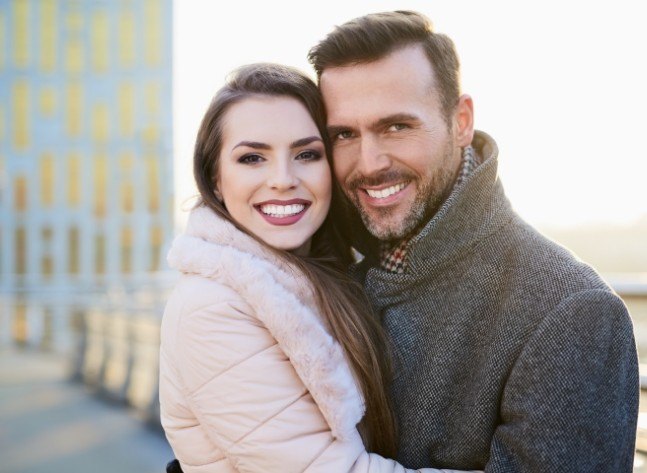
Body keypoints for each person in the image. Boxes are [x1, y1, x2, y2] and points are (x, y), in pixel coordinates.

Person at [307, 10, 640, 472]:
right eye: (345, 134)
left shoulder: (569, 310)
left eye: (396, 127)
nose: (368, 163)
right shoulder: (316, 269)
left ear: (461, 121)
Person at [159, 63, 475, 473]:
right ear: (215, 179)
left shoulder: (323, 278)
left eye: (307, 154)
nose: (283, 179)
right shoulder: (211, 308)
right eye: (252, 158)